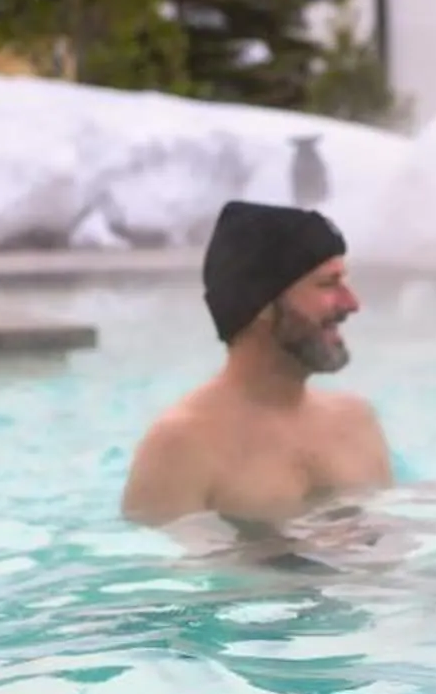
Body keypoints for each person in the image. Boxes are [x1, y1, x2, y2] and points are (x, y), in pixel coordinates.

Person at [123, 200, 393, 528]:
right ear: (261, 306)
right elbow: (160, 573)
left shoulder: (356, 422)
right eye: (327, 284)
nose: (352, 303)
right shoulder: (181, 447)